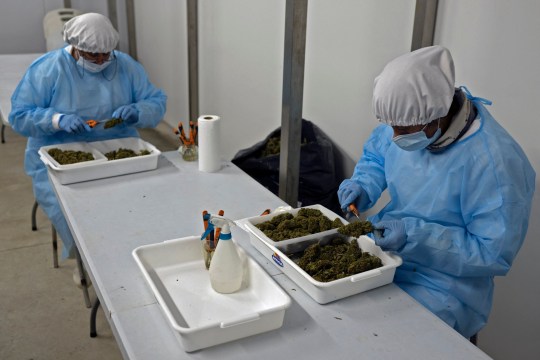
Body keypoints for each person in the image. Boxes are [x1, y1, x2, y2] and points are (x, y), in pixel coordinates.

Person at [338, 45, 535, 339]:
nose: (395, 136)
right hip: (384, 259)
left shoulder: (495, 163)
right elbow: (379, 155)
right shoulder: (406, 119)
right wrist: (363, 183)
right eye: (391, 127)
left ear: (437, 115)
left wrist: (415, 237)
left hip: (445, 289)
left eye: (403, 130)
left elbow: (491, 253)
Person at [9, 13, 167, 260]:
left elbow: (155, 101)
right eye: (93, 55)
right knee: (75, 215)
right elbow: (19, 115)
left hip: (119, 149)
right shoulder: (48, 69)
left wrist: (138, 111)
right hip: (59, 153)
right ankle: (86, 264)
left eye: (107, 54)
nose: (102, 60)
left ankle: (134, 254)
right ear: (76, 46)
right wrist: (56, 120)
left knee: (142, 204)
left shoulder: (124, 65)